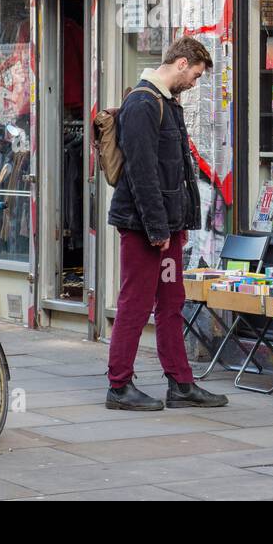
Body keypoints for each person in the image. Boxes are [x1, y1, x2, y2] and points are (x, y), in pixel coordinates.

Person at [105, 35, 229, 412]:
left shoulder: (165, 101)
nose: (195, 82)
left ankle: (181, 383)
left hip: (167, 230)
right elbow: (142, 173)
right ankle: (118, 385)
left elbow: (174, 172)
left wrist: (177, 226)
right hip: (146, 229)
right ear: (180, 63)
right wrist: (157, 228)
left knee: (171, 301)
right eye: (195, 74)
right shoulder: (143, 103)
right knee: (135, 303)